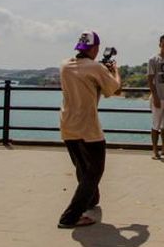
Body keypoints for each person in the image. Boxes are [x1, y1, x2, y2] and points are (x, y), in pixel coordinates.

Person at [57, 31, 122, 229]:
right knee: (95, 170)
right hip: (88, 127)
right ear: (94, 49)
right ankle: (69, 217)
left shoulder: (64, 65)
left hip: (67, 125)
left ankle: (91, 200)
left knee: (83, 167)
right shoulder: (96, 67)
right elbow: (114, 89)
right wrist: (114, 70)